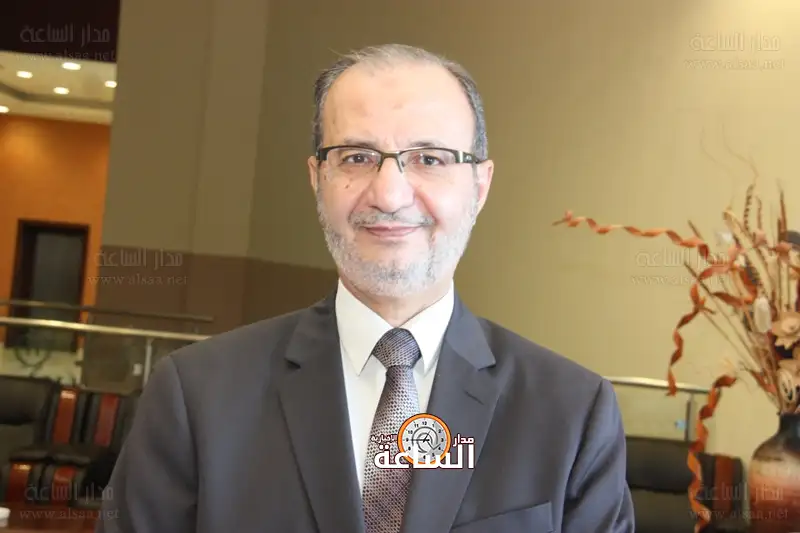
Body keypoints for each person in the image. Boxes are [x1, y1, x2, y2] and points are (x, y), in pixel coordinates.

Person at [96, 43, 634, 533]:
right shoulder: (196, 397)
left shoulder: (571, 414)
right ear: (317, 179)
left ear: (479, 185)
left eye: (429, 159)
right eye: (356, 157)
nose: (390, 194)